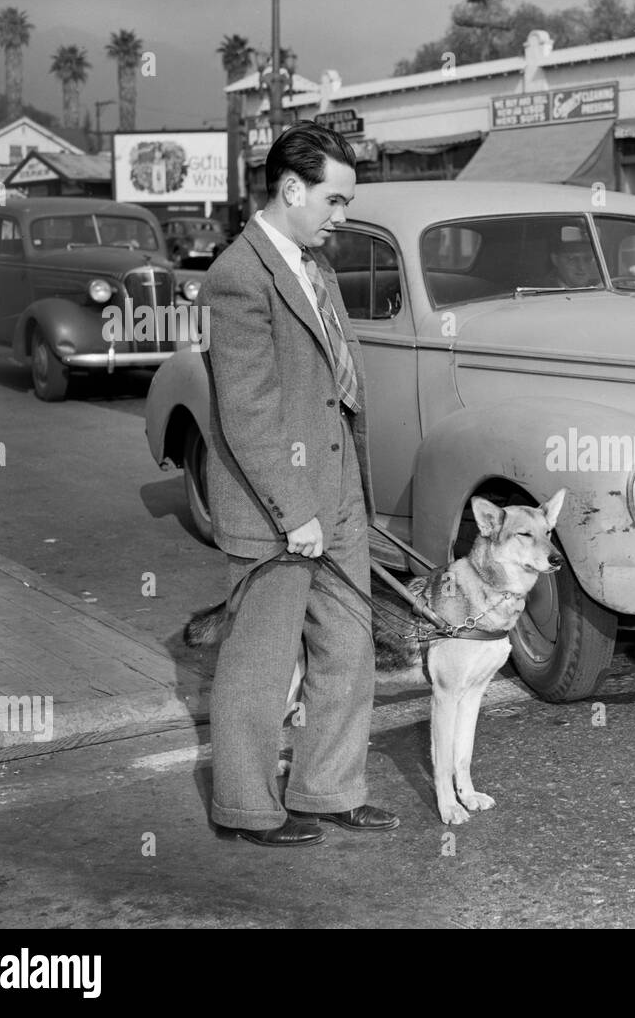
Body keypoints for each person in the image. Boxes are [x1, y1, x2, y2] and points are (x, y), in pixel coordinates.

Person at [201, 120, 397, 847]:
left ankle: (328, 788)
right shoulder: (238, 276)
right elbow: (248, 410)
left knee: (347, 646)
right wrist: (294, 511)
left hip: (337, 485)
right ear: (291, 189)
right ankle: (248, 807)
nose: (341, 218)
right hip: (275, 502)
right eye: (334, 201)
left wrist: (343, 490)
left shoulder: (316, 268)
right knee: (261, 658)